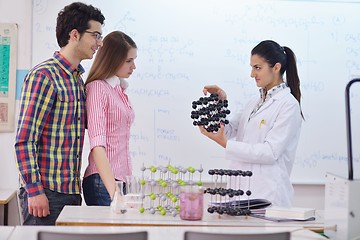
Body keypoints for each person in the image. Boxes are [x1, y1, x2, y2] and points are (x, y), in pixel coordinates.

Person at [14, 2, 105, 225]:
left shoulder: (76, 79)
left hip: (71, 192)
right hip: (45, 193)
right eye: (95, 35)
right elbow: (25, 140)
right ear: (75, 34)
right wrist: (35, 191)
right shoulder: (44, 75)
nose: (99, 44)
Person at [200, 40, 303, 207]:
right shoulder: (254, 102)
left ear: (276, 68)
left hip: (266, 195)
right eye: (252, 67)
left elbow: (270, 152)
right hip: (241, 192)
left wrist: (226, 144)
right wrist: (219, 103)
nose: (252, 74)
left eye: (257, 68)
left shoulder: (288, 105)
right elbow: (229, 129)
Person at [82, 31, 137, 206]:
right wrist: (115, 193)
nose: (133, 66)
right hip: (103, 182)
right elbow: (97, 146)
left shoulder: (118, 90)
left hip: (120, 181)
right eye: (129, 61)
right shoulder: (98, 88)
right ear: (113, 59)